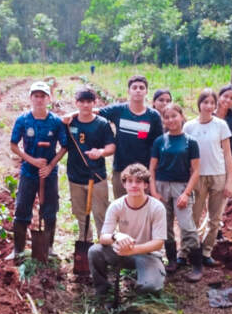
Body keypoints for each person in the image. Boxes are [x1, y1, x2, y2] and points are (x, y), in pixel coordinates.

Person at [8, 81, 68, 261]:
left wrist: (50, 166)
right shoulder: (23, 120)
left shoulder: (56, 122)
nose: (39, 99)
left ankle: (48, 248)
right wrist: (32, 161)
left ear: (49, 99)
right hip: (28, 172)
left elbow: (65, 146)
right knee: (22, 208)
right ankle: (18, 249)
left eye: (43, 96)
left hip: (49, 174)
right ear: (31, 98)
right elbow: (13, 145)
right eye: (36, 96)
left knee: (50, 209)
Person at [88, 163, 167, 296]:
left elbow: (158, 243)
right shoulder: (116, 206)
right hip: (122, 251)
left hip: (148, 254)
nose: (134, 185)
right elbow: (103, 237)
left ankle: (140, 288)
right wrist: (116, 236)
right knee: (95, 251)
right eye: (130, 181)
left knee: (151, 288)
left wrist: (133, 249)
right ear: (124, 184)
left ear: (145, 185)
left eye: (138, 181)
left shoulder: (157, 207)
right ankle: (102, 289)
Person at [149, 104, 203, 282]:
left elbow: (196, 171)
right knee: (165, 226)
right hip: (162, 186)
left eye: (174, 116)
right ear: (163, 120)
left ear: (181, 116)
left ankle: (196, 265)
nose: (171, 120)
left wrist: (186, 193)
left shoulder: (190, 142)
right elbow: (152, 168)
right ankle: (172, 260)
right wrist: (154, 191)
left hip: (181, 187)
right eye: (167, 117)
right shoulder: (159, 141)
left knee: (187, 226)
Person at [184, 89, 232, 267]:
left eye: (212, 103)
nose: (209, 106)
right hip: (197, 177)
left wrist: (229, 180)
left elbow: (227, 154)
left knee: (215, 218)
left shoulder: (221, 125)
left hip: (218, 175)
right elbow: (185, 154)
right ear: (199, 104)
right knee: (193, 216)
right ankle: (187, 250)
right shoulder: (189, 127)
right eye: (205, 102)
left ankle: (206, 251)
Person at [97, 75, 164, 198]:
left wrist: (153, 171)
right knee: (121, 204)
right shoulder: (119, 110)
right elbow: (95, 113)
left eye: (141, 88)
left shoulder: (153, 116)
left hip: (143, 171)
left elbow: (158, 145)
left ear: (146, 91)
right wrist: (72, 115)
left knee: (142, 205)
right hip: (121, 169)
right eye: (134, 87)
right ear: (129, 91)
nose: (138, 90)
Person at [65, 87, 116, 241]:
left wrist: (100, 152)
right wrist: (70, 115)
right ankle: (85, 244)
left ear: (95, 103)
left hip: (97, 176)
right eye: (82, 101)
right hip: (75, 177)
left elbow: (111, 147)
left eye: (89, 101)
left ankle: (104, 245)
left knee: (101, 214)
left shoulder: (102, 124)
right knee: (81, 215)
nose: (85, 105)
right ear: (76, 103)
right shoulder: (69, 122)